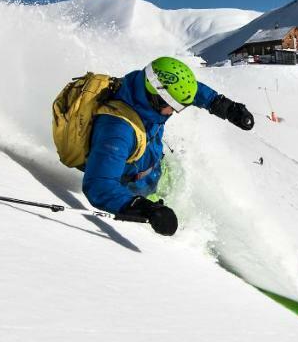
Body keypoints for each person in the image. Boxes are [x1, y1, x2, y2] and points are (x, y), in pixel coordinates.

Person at [81, 57, 254, 235]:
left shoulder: (140, 89)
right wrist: (146, 209)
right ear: (157, 98)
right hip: (133, 190)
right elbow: (99, 185)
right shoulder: (117, 130)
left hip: (152, 168)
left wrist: (226, 107)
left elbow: (189, 91)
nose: (174, 112)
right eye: (174, 106)